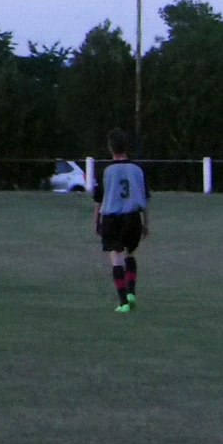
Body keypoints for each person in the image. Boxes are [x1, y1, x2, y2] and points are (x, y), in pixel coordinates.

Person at [92, 128, 150, 313]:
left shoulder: (106, 171)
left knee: (116, 256)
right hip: (133, 217)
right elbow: (145, 198)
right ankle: (132, 291)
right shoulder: (137, 169)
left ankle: (123, 302)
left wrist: (97, 221)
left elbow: (99, 200)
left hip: (112, 217)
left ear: (110, 148)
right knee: (130, 253)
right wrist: (146, 223)